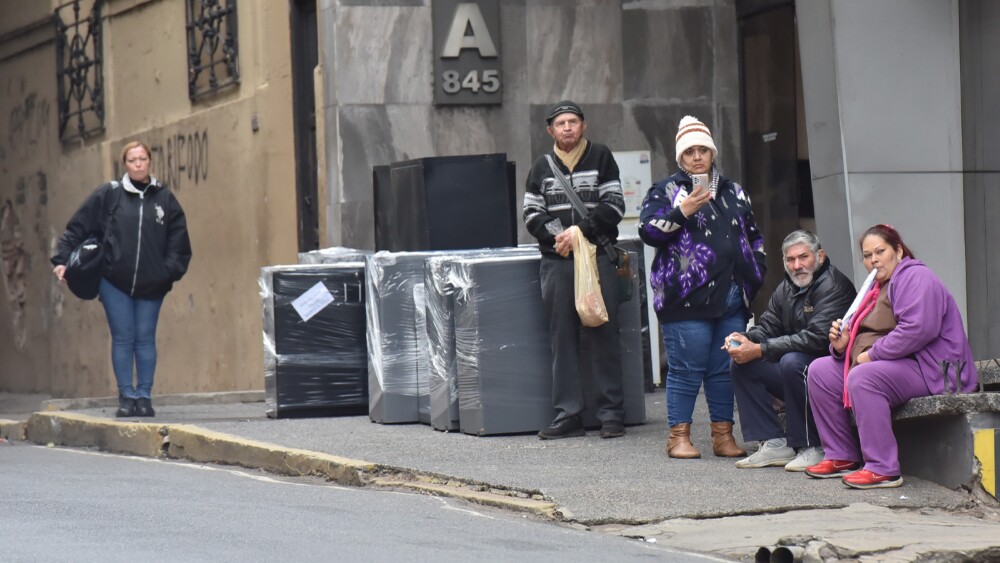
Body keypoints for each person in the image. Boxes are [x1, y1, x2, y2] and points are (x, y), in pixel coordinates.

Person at [805, 224, 977, 489]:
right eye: (867, 255)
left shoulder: (915, 277)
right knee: (820, 371)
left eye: (880, 251)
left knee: (864, 377)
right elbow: (863, 331)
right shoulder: (874, 287)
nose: (873, 259)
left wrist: (872, 355)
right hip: (898, 364)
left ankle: (882, 468)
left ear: (898, 250)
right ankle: (841, 456)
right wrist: (842, 345)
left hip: (934, 368)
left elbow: (919, 329)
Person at [639, 115, 767, 459]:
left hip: (732, 297)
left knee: (724, 369)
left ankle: (723, 437)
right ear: (680, 158)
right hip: (685, 298)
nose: (697, 157)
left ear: (712, 154)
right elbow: (648, 232)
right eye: (690, 152)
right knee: (685, 369)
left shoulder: (733, 190)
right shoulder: (665, 191)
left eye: (703, 150)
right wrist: (682, 211)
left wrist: (757, 268)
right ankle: (678, 438)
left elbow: (753, 235)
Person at [52, 141, 192, 419]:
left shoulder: (165, 199)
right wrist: (61, 260)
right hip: (114, 280)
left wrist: (167, 273)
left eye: (142, 159)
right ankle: (126, 396)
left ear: (150, 161)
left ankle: (144, 397)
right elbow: (78, 225)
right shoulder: (110, 194)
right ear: (125, 165)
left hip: (152, 284)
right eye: (132, 160)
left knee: (145, 339)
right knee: (123, 337)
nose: (138, 164)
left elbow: (180, 244)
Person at [523, 100, 627, 440]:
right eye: (561, 123)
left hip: (597, 257)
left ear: (583, 126)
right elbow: (531, 213)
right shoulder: (541, 166)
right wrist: (561, 237)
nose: (567, 128)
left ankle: (611, 413)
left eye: (573, 122)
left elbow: (614, 205)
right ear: (550, 130)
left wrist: (579, 231)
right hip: (557, 262)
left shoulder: (602, 156)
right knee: (562, 337)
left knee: (604, 333)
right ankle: (568, 414)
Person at [726, 230, 856, 471]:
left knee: (792, 361)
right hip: (797, 372)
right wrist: (743, 339)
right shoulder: (787, 287)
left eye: (803, 257)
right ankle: (774, 442)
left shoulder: (833, 285)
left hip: (831, 374)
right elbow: (767, 326)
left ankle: (812, 446)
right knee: (741, 361)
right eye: (790, 260)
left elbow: (817, 340)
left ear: (820, 255)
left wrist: (761, 349)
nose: (797, 265)